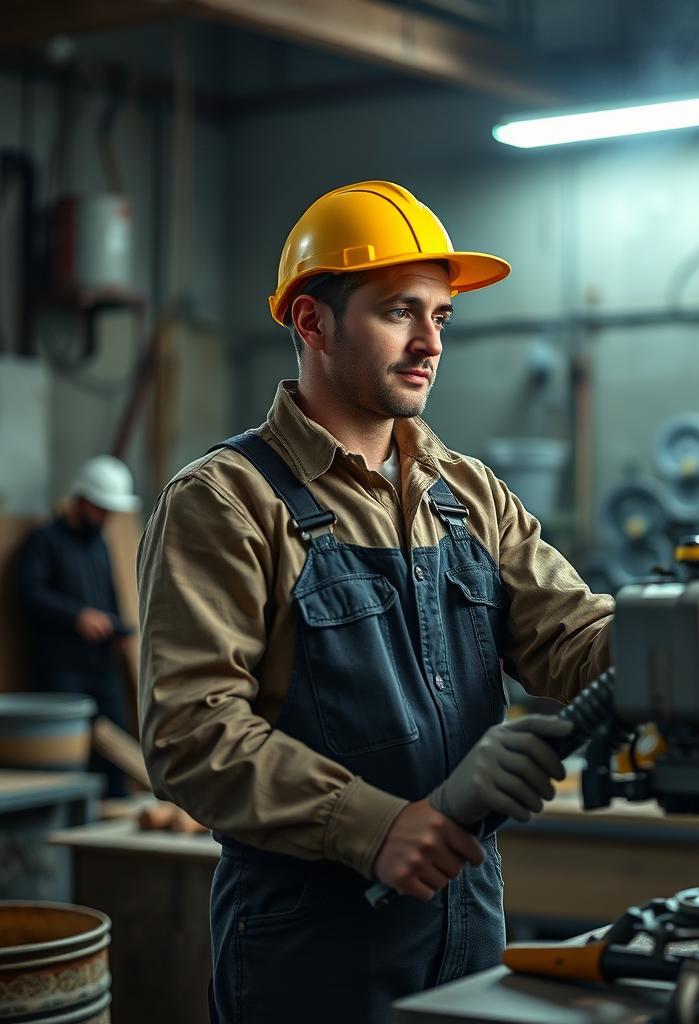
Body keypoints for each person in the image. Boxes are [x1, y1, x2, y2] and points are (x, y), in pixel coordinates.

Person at [136, 180, 614, 1023]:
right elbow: (191, 730)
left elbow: (571, 635)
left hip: (468, 916)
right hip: (311, 944)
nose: (430, 341)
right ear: (311, 323)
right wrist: (373, 824)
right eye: (400, 312)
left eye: (442, 316)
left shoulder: (466, 494)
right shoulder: (227, 500)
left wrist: (677, 638)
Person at [17, 455, 140, 797]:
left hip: (100, 663)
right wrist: (77, 616)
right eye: (101, 509)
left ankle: (115, 809)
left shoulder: (99, 543)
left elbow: (110, 594)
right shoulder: (44, 541)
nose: (106, 519)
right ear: (82, 500)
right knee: (73, 750)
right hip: (62, 666)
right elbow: (30, 593)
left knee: (115, 741)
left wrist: (117, 628)